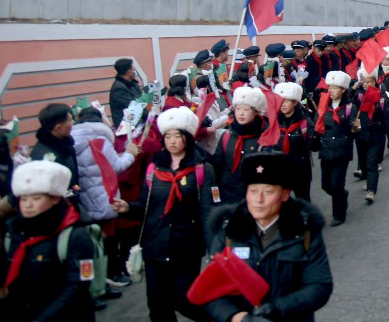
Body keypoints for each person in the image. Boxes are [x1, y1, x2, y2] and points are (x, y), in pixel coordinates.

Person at [112, 107, 216, 322]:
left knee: (184, 299)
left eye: (177, 136)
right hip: (155, 246)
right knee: (158, 305)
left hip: (186, 247)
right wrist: (127, 207)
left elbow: (208, 212)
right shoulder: (153, 169)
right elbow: (146, 204)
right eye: (168, 136)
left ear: (186, 137)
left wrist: (214, 246)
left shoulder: (202, 170)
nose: (172, 141)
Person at [203, 152, 333, 321]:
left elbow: (319, 285)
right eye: (253, 191)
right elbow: (212, 288)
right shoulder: (230, 230)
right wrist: (236, 317)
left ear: (285, 195)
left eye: (268, 192)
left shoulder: (304, 231)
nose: (259, 199)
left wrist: (277, 308)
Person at [3, 160, 96, 321]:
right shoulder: (15, 233)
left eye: (36, 198)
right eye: (23, 199)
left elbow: (78, 285)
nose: (28, 205)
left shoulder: (75, 236)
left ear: (54, 198)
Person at [71, 105, 138, 289]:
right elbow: (115, 166)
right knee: (108, 240)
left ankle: (96, 280)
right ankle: (111, 275)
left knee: (91, 243)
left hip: (84, 199)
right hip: (102, 196)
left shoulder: (71, 140)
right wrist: (130, 154)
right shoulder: (100, 139)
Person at [212, 86, 272, 206]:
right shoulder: (226, 136)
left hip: (256, 200)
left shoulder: (265, 137)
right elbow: (216, 170)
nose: (241, 113)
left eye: (246, 109)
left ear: (256, 111)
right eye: (238, 109)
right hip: (229, 199)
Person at [316, 71, 358, 226]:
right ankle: (342, 195)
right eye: (330, 88)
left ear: (343, 90)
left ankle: (339, 215)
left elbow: (353, 129)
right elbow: (317, 125)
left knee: (336, 184)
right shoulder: (323, 107)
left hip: (342, 151)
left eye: (335, 88)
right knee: (326, 185)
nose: (331, 91)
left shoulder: (348, 108)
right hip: (325, 150)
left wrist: (355, 128)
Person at [351, 68, 389, 204]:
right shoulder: (358, 96)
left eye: (371, 81)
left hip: (376, 134)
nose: (368, 84)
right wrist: (355, 86)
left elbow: (386, 118)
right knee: (363, 162)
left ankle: (371, 190)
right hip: (361, 135)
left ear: (375, 82)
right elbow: (347, 97)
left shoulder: (380, 97)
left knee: (372, 163)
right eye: (365, 82)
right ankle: (366, 178)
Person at [273, 82, 314, 203]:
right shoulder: (274, 122)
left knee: (303, 200)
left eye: (286, 101)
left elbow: (313, 146)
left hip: (301, 169)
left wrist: (316, 137)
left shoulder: (305, 122)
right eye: (281, 101)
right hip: (280, 169)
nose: (283, 105)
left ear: (295, 102)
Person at [30, 103, 80, 194]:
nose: (72, 123)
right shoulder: (44, 157)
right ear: (58, 128)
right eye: (70, 121)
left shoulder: (65, 146)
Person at [109, 58, 142, 124]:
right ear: (129, 72)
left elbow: (141, 99)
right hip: (126, 126)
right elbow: (132, 107)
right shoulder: (118, 89)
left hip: (136, 122)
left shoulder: (133, 83)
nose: (134, 71)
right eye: (133, 69)